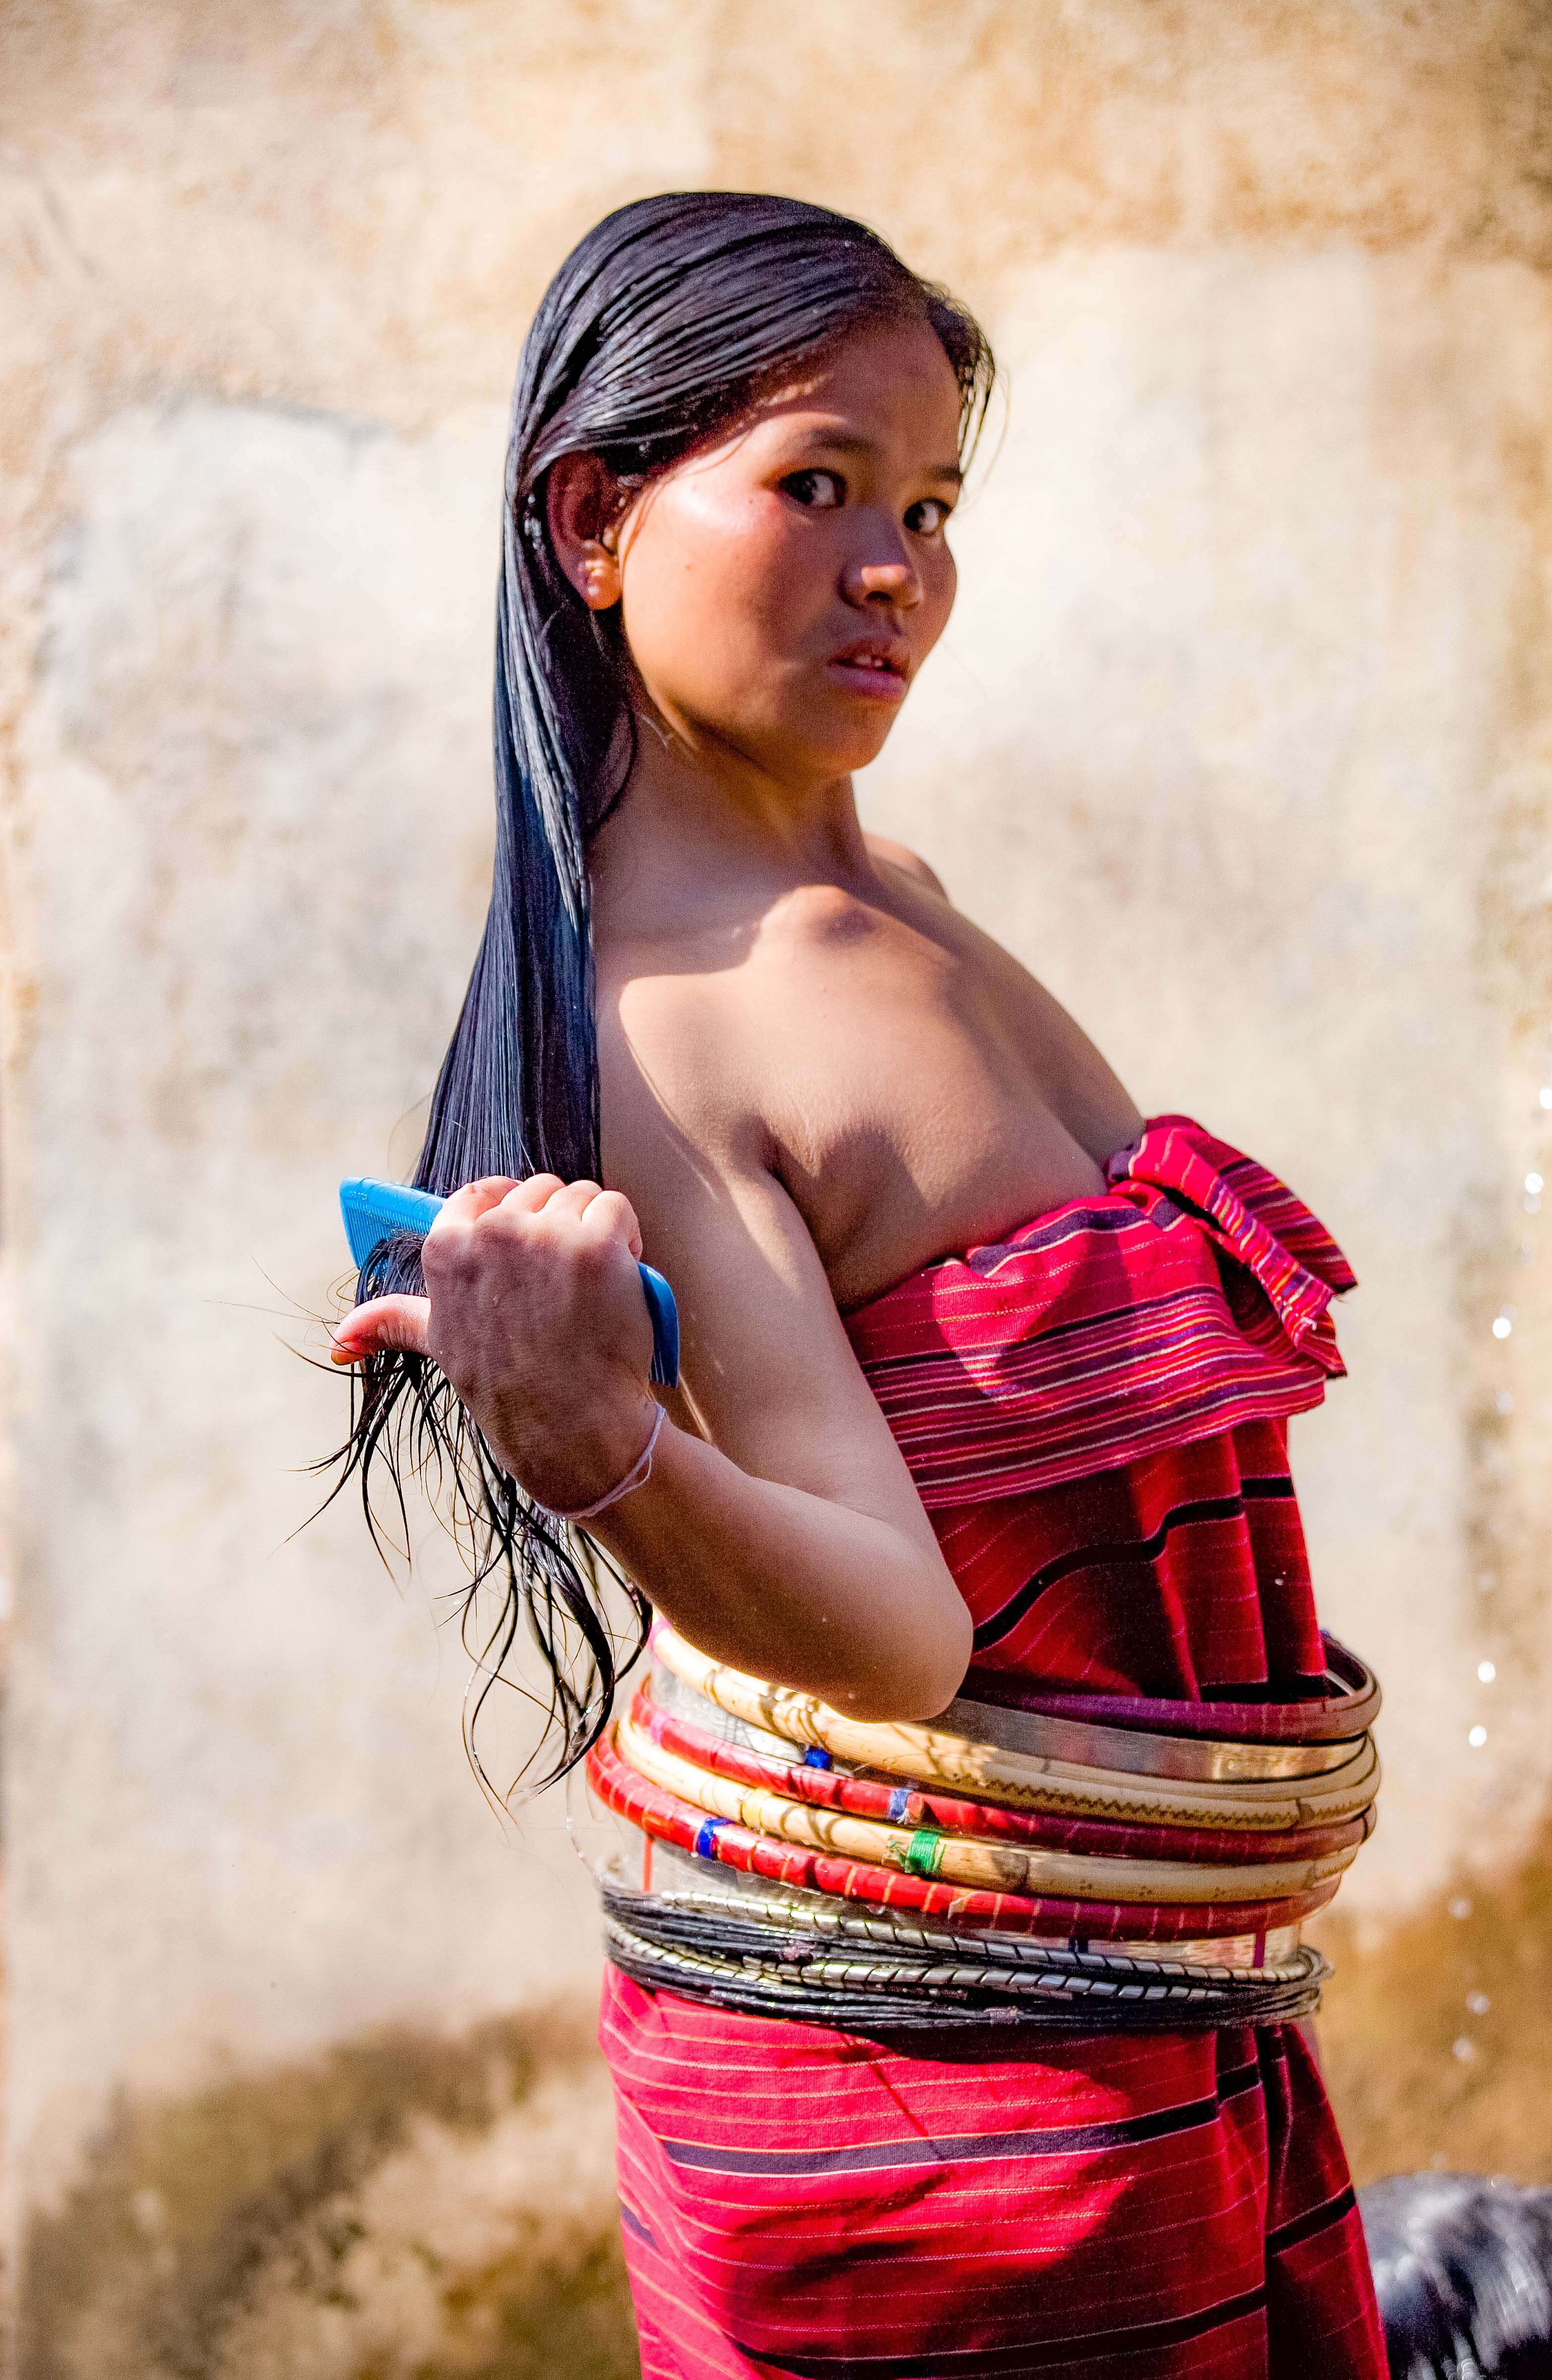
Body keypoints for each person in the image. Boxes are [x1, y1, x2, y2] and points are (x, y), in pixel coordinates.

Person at [330, 192, 1386, 2379]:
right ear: (597, 520)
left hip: (1148, 2030)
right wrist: (602, 1450)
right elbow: (903, 1633)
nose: (897, 566)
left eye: (928, 504)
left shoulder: (886, 887)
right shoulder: (663, 1026)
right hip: (933, 2134)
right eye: (816, 484)